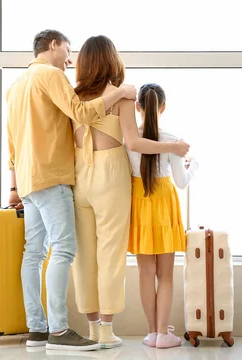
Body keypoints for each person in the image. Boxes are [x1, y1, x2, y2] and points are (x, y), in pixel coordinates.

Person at [5, 29, 137, 351]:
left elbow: (11, 142)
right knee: (67, 250)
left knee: (34, 254)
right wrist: (120, 93)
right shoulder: (51, 76)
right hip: (56, 175)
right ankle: (62, 331)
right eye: (67, 49)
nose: (69, 58)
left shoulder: (15, 86)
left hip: (28, 180)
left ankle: (38, 329)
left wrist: (13, 186)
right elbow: (80, 114)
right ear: (53, 45)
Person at [70, 35, 190, 348]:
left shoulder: (73, 95)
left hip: (79, 175)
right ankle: (107, 331)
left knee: (84, 256)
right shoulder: (121, 95)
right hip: (110, 176)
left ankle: (92, 327)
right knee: (110, 254)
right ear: (112, 60)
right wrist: (175, 147)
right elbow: (133, 143)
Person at [126, 83, 199, 349]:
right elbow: (180, 182)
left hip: (140, 203)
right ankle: (162, 333)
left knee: (146, 272)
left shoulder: (130, 140)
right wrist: (194, 167)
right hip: (164, 205)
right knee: (165, 275)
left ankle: (152, 332)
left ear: (138, 107)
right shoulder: (172, 140)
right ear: (163, 107)